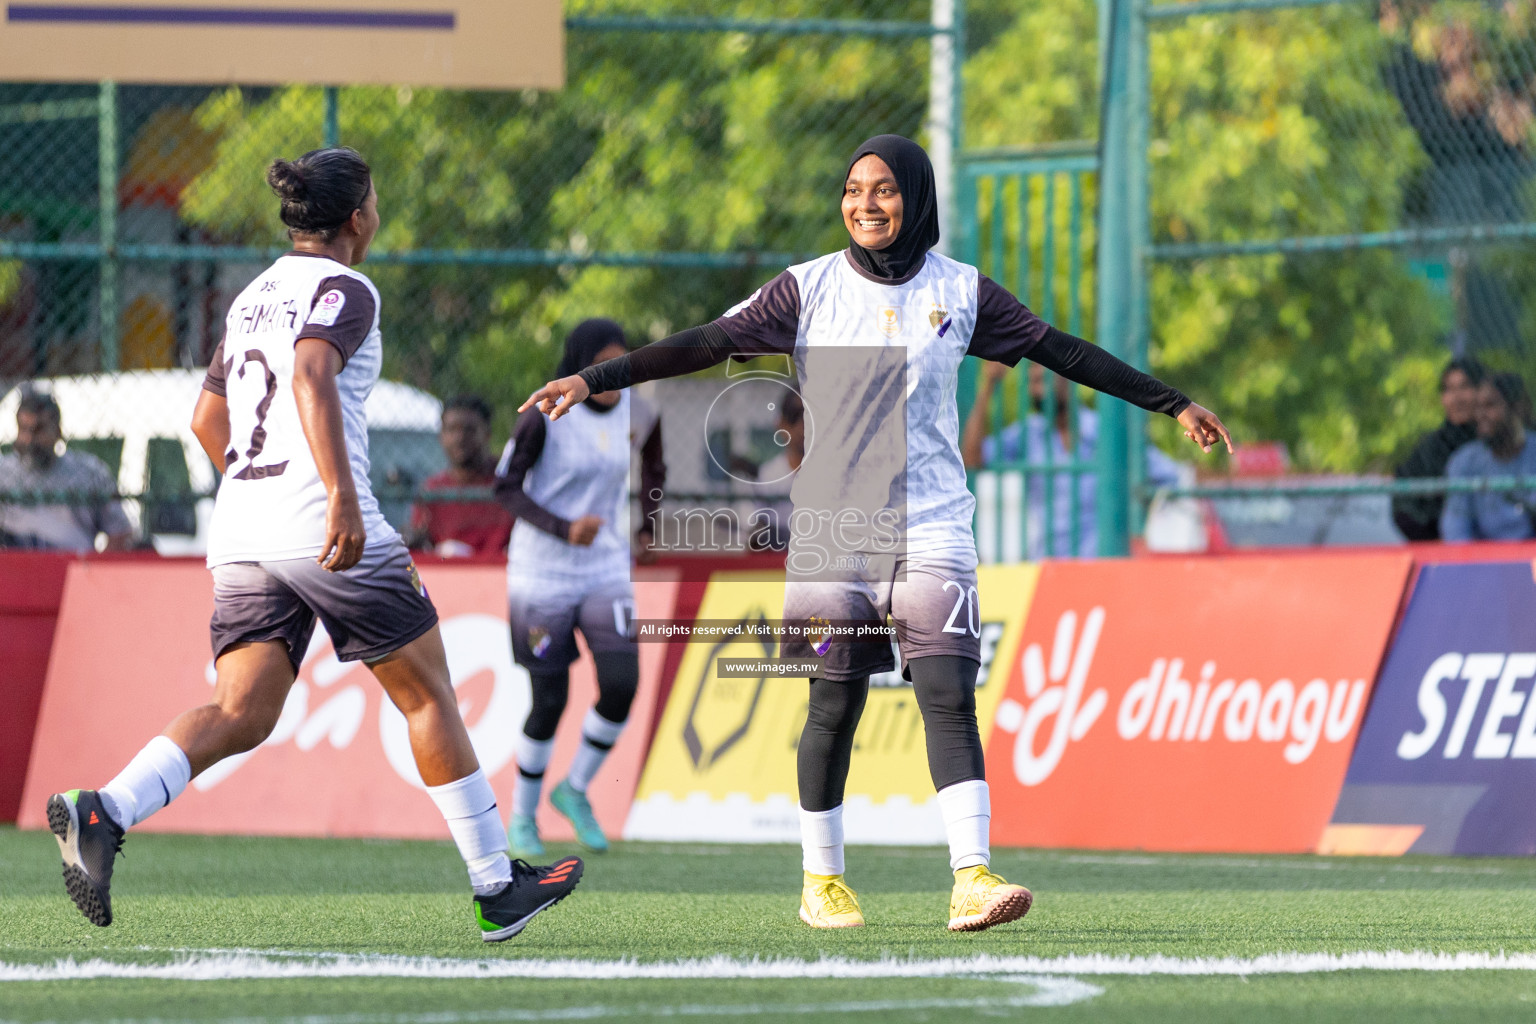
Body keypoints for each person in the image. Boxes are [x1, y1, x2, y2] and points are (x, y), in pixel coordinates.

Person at [520, 134, 1231, 932]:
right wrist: (595, 377)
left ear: (916, 198)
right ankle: (821, 882)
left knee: (948, 696)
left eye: (884, 190)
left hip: (931, 523)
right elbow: (705, 344)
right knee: (834, 704)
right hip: (833, 531)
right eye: (854, 189)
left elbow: (1062, 351)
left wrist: (1172, 403)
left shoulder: (961, 292)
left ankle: (973, 879)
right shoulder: (806, 289)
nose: (866, 203)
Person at [44, 147, 581, 941]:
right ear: (358, 215)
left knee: (243, 709)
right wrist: (333, 495)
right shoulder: (347, 287)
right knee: (429, 692)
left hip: (242, 527)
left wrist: (256, 488)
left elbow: (206, 420)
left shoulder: (252, 295)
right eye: (375, 197)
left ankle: (105, 809)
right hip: (321, 522)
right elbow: (310, 373)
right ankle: (496, 885)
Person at [496, 318, 664, 858]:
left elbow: (654, 463)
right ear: (579, 363)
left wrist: (648, 524)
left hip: (605, 569)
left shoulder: (640, 409)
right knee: (550, 698)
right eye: (602, 363)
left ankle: (575, 790)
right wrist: (563, 527)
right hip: (542, 572)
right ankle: (523, 817)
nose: (613, 374)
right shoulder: (548, 413)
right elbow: (504, 486)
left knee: (621, 684)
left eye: (621, 362)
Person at [960, 361, 1187, 558]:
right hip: (1047, 567)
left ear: (1067, 380)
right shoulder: (1027, 434)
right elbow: (971, 459)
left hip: (1102, 564)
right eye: (1033, 382)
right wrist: (988, 386)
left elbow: (1167, 476)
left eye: (1044, 380)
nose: (1037, 389)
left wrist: (1136, 527)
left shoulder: (1105, 433)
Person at [0, 389, 133, 551]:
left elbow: (120, 532)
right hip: (14, 569)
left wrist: (96, 571)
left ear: (57, 432)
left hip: (73, 565)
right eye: (23, 429)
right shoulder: (4, 473)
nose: (29, 440)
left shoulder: (89, 473)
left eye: (39, 430)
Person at [407, 394, 514, 558]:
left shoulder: (509, 482)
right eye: (451, 429)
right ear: (441, 436)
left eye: (469, 430)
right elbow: (423, 544)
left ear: (487, 434)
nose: (460, 438)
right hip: (450, 577)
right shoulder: (432, 490)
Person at [1393, 356, 1485, 541]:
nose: (1457, 398)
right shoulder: (1428, 449)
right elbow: (1404, 508)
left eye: (1465, 387)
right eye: (1449, 390)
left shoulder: (1498, 444)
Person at [1441, 372, 1536, 541]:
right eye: (1478, 407)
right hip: (1484, 563)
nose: (1481, 415)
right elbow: (1456, 534)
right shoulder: (1464, 463)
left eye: (1490, 406)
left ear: (1516, 408)